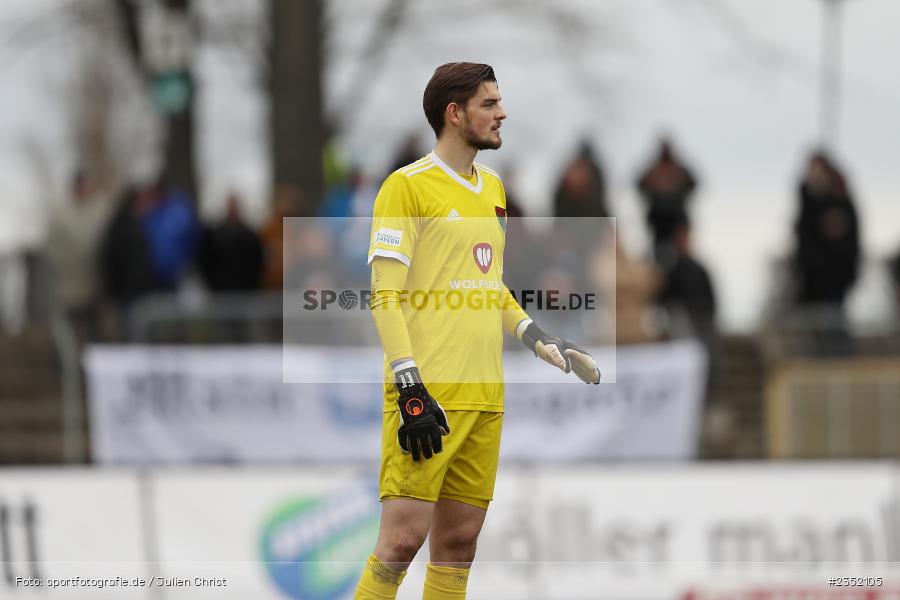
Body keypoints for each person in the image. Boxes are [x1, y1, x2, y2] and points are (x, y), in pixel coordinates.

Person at [354, 62, 601, 600]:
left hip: (485, 393)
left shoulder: (493, 188)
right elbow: (384, 295)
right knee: (400, 543)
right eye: (489, 104)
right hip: (428, 393)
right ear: (454, 113)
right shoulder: (406, 188)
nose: (502, 113)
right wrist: (409, 384)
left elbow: (489, 287)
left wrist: (537, 336)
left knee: (459, 546)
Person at [636, 137, 697, 267]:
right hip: (657, 218)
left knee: (681, 254)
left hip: (676, 216)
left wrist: (676, 190)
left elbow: (693, 184)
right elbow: (639, 184)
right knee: (658, 252)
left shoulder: (679, 170)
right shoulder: (654, 169)